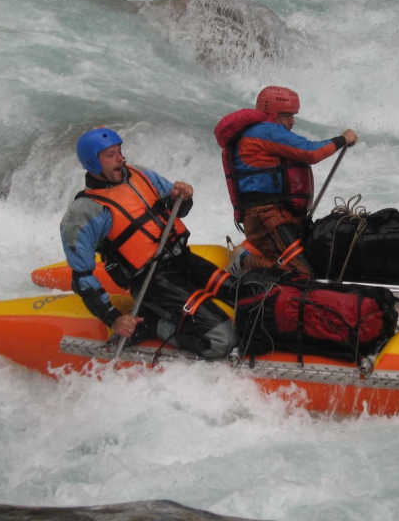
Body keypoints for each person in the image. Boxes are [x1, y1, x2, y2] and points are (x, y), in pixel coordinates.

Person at [60, 126, 236, 358]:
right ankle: (152, 324)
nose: (120, 159)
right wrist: (113, 318)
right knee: (222, 340)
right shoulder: (85, 211)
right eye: (110, 155)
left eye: (119, 151)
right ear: (93, 163)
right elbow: (81, 278)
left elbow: (178, 210)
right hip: (152, 281)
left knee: (247, 295)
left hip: (182, 261)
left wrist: (183, 197)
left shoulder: (141, 175)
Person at [214, 86, 357, 277]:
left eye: (293, 115)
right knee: (301, 274)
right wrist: (343, 139)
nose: (292, 121)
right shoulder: (265, 130)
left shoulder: (262, 131)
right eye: (287, 115)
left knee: (313, 263)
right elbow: (311, 152)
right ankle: (244, 261)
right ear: (272, 113)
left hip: (278, 214)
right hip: (265, 215)